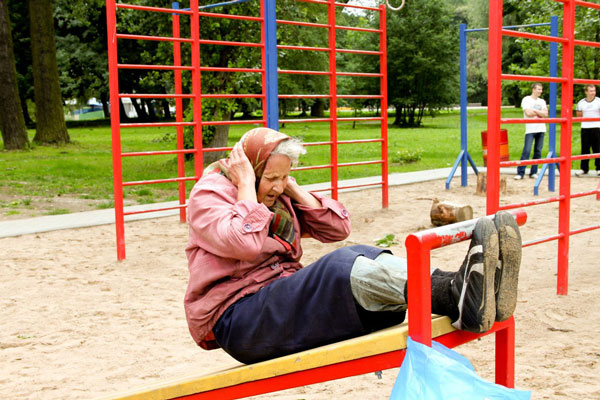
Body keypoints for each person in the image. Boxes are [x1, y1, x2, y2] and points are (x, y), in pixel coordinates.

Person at [184, 127, 522, 364]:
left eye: (284, 176)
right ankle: (457, 295)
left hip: (279, 302)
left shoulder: (279, 194)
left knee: (363, 253)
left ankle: (461, 292)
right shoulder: (210, 195)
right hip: (240, 320)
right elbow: (243, 244)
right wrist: (246, 185)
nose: (277, 186)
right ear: (251, 169)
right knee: (337, 269)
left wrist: (294, 189)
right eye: (270, 178)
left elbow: (338, 228)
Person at [515, 83, 548, 180]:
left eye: (541, 89)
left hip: (541, 128)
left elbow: (545, 114)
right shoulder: (526, 99)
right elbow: (528, 113)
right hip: (530, 129)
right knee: (527, 150)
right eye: (539, 89)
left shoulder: (542, 101)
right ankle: (520, 172)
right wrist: (539, 112)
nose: (540, 91)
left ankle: (533, 172)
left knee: (538, 151)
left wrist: (535, 111)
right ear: (533, 89)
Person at [575, 84, 600, 177]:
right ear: (586, 92)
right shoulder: (581, 103)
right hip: (585, 128)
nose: (593, 93)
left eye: (594, 91)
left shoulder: (598, 101)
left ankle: (599, 168)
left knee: (597, 148)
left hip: (596, 127)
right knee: (585, 148)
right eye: (591, 91)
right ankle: (584, 169)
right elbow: (579, 116)